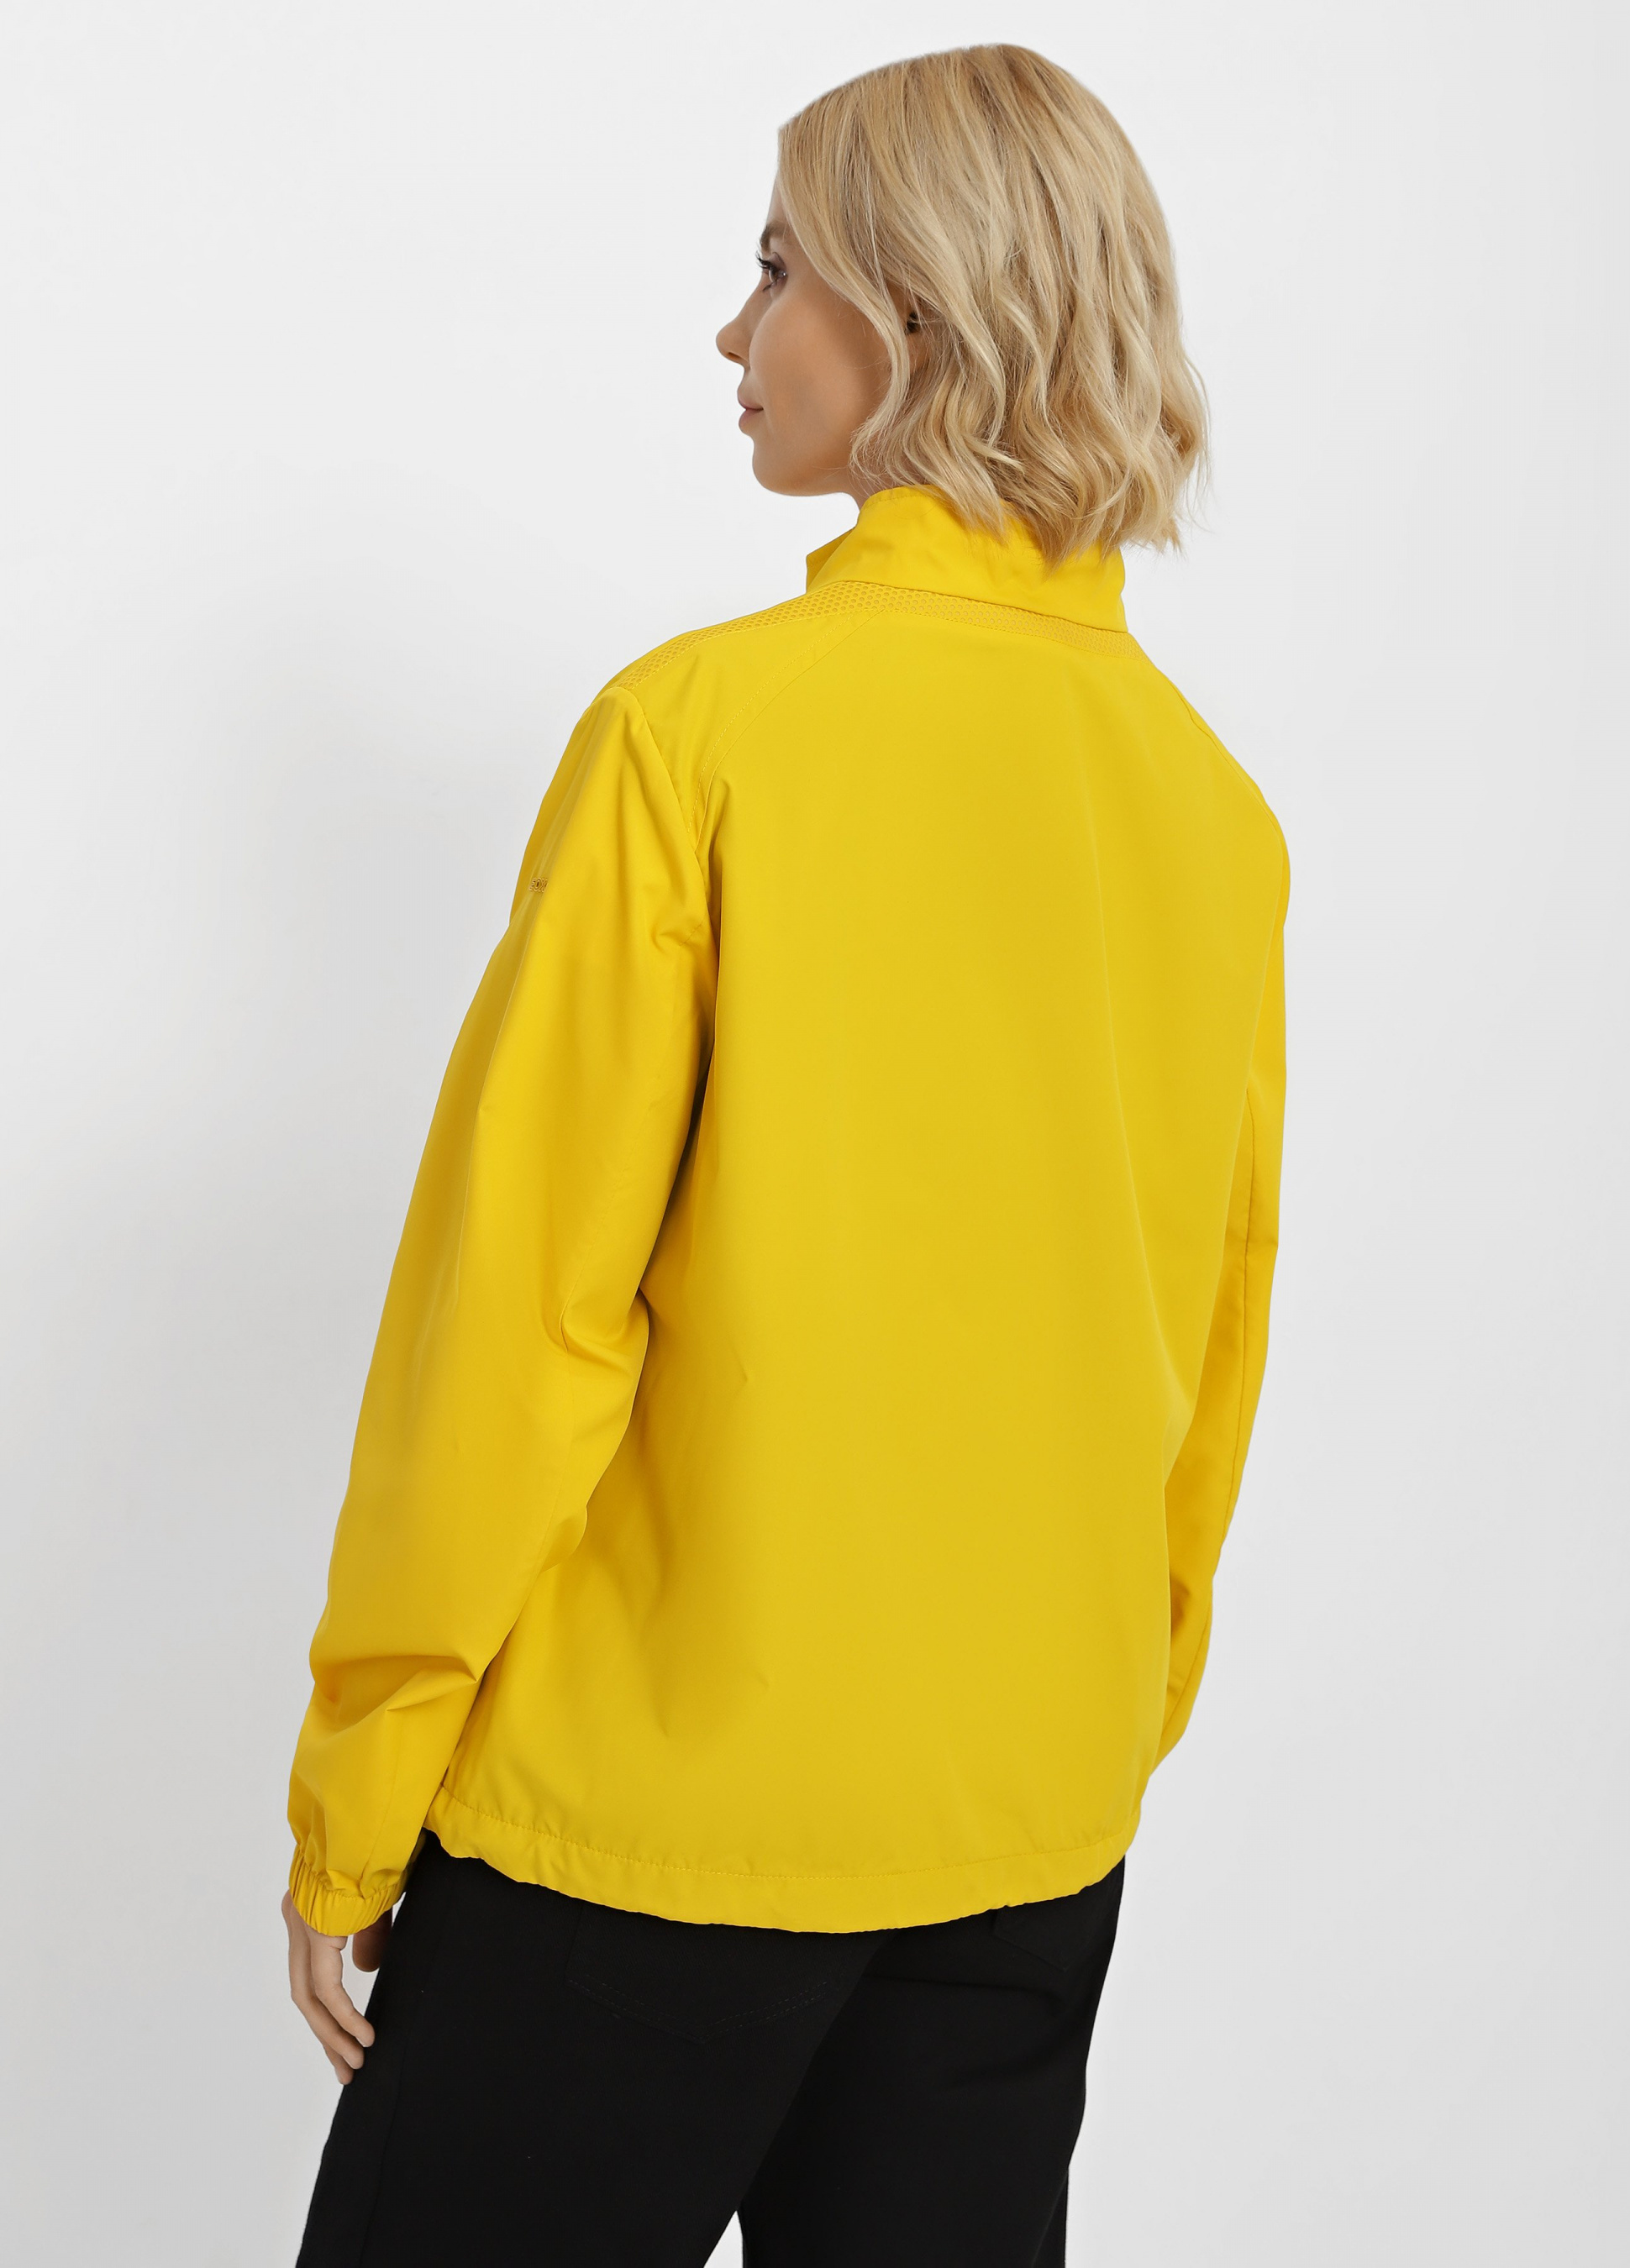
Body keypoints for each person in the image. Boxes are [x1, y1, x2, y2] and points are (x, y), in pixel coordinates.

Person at [281, 42, 1287, 2268]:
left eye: (774, 268)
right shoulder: (1206, 807)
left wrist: (363, 1782)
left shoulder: (699, 737)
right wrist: (1098, 1729)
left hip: (647, 1835)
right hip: (1022, 1834)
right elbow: (1205, 1347)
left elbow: (520, 1323)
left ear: (914, 314)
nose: (731, 330)